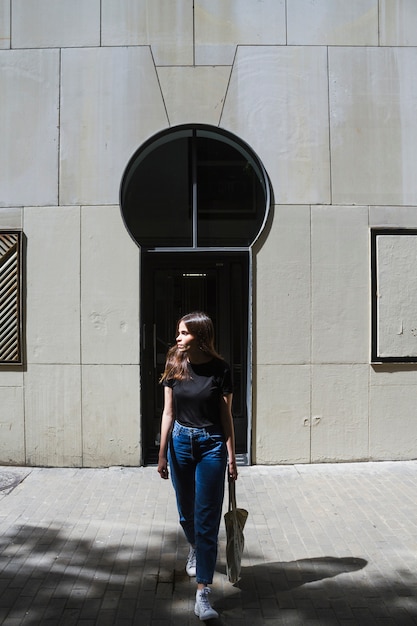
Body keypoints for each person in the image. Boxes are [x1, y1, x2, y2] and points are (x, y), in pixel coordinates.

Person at [157, 311, 238, 621]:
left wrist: (231, 454)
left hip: (211, 446)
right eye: (178, 332)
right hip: (179, 443)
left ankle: (203, 592)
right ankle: (194, 545)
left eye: (184, 333)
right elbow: (168, 412)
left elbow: (225, 416)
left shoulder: (220, 369)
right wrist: (162, 451)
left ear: (200, 337)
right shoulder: (174, 363)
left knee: (207, 521)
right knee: (185, 512)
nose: (178, 338)